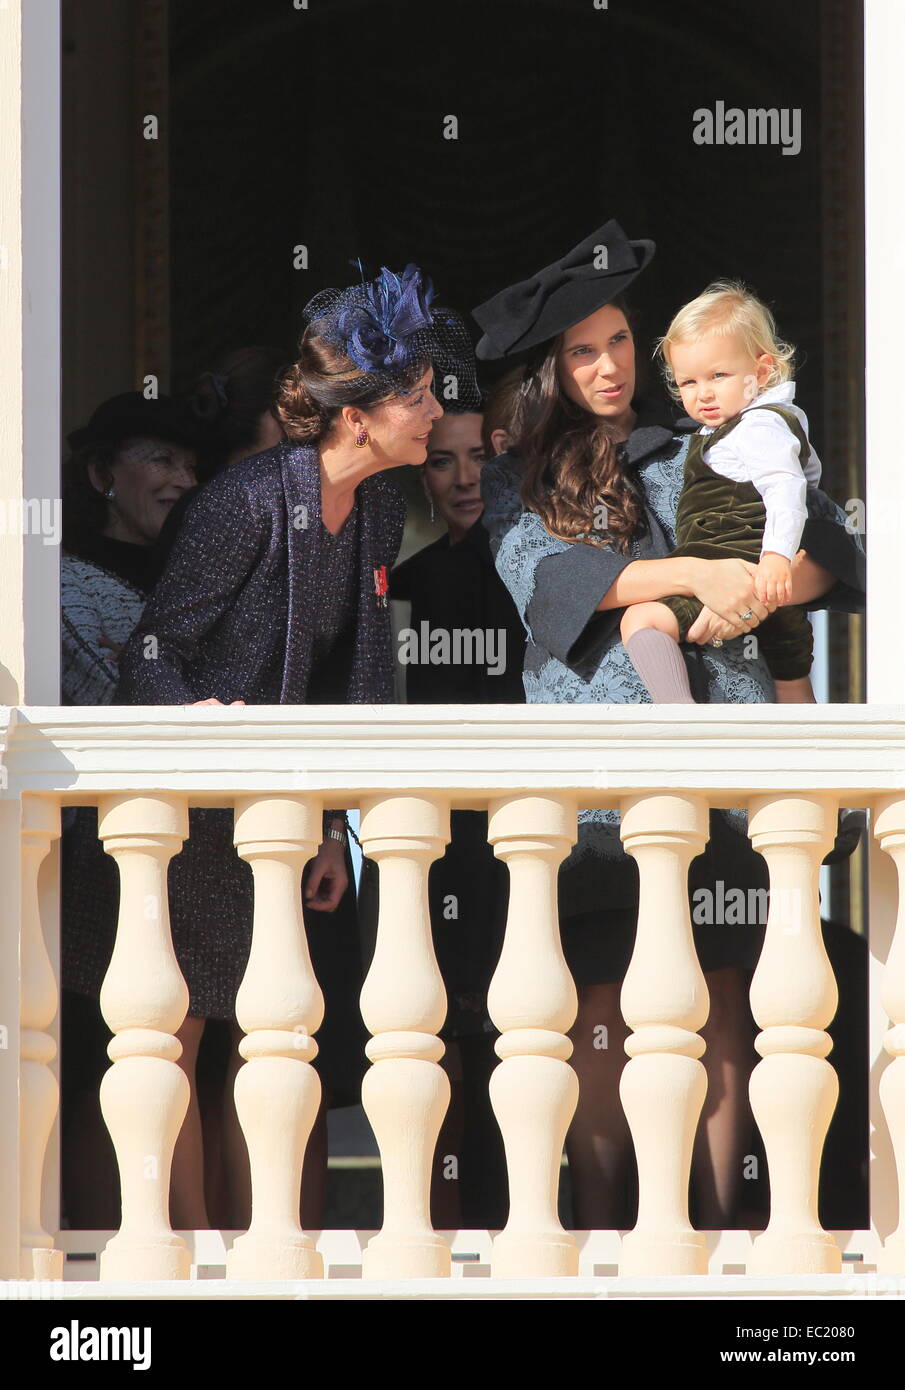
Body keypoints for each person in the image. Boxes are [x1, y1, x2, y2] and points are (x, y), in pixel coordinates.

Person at [472, 219, 866, 1229]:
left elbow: (831, 547)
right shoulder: (515, 483)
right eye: (580, 350)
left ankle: (727, 1230)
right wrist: (690, 572)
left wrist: (766, 585)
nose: (606, 366)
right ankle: (613, 1232)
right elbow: (549, 586)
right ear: (548, 369)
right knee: (602, 1011)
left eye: (615, 342)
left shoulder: (701, 442)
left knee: (726, 1001)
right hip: (601, 784)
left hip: (722, 773)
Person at [111, 263, 478, 1230]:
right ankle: (177, 1257)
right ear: (358, 416)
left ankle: (263, 1248)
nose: (434, 409)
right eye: (417, 393)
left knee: (271, 1036)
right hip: (187, 817)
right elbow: (151, 644)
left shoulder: (381, 510)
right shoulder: (244, 500)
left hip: (274, 822)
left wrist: (333, 825)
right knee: (175, 1038)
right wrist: (192, 734)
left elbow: (357, 671)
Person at [60, 392, 200, 1229]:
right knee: (102, 1056)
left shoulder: (206, 574)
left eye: (190, 464)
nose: (180, 479)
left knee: (188, 1050)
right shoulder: (56, 578)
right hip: (94, 849)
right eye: (159, 459)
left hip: (201, 845)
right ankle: (91, 1242)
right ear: (102, 474)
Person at [385, 402, 526, 1227]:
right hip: (432, 839)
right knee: (432, 1038)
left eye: (481, 456)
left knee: (527, 1033)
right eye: (443, 461)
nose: (466, 478)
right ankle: (436, 1238)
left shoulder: (538, 566)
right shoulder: (401, 582)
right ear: (419, 473)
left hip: (531, 832)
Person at [620, 282, 820, 705]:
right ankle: (808, 764)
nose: (703, 393)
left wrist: (775, 558)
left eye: (718, 376)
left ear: (762, 372)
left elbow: (788, 489)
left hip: (733, 568)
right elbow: (810, 480)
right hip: (772, 588)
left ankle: (681, 719)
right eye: (687, 382)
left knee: (643, 619)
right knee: (792, 677)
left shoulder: (758, 426)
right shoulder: (765, 423)